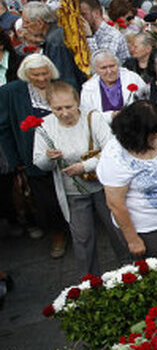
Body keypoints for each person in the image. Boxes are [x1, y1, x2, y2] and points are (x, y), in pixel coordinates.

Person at [33, 81, 129, 276]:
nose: (64, 113)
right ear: (49, 107)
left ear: (77, 101)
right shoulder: (44, 126)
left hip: (103, 186)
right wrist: (48, 158)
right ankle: (90, 281)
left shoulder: (92, 117)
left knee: (118, 231)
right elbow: (39, 162)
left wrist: (84, 166)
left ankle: (131, 270)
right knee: (83, 239)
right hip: (73, 191)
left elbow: (112, 149)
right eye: (57, 109)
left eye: (69, 106)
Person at [97, 100, 157, 261]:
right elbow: (115, 204)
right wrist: (132, 239)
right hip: (145, 226)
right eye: (152, 134)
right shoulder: (115, 155)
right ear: (136, 134)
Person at [0, 54, 70, 257]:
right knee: (46, 200)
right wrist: (16, 160)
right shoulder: (11, 92)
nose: (41, 78)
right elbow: (4, 128)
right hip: (32, 155)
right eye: (35, 75)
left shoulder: (61, 85)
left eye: (44, 73)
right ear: (26, 74)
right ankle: (58, 235)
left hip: (65, 151)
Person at [20, 2, 84, 88]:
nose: (24, 26)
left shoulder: (55, 41)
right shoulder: (56, 35)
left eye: (26, 22)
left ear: (39, 23)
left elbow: (63, 77)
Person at [80, 50, 148, 124]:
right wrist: (111, 116)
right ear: (96, 70)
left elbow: (147, 102)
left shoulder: (132, 78)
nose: (109, 71)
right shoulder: (88, 88)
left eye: (112, 66)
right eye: (103, 68)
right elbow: (87, 117)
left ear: (118, 65)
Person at [79, 0, 131, 64]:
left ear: (96, 13)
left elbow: (102, 64)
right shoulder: (87, 32)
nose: (80, 19)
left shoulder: (111, 35)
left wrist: (89, 37)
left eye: (83, 15)